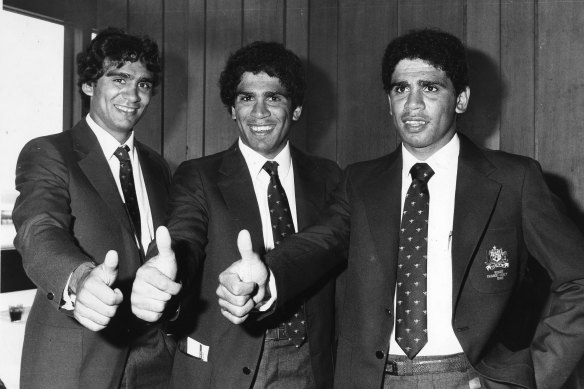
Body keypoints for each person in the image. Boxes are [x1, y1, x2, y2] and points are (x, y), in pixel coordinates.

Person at [216, 29, 584, 389]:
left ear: (461, 100)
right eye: (400, 89)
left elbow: (577, 281)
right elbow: (319, 242)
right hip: (374, 378)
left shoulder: (513, 179)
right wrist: (270, 274)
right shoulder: (360, 182)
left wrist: (533, 376)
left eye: (430, 87)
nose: (413, 104)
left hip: (469, 377)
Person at [135, 41, 342, 388]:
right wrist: (162, 270)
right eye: (246, 98)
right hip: (226, 366)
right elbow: (184, 236)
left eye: (273, 97)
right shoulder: (199, 175)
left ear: (297, 109)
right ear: (232, 109)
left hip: (310, 364)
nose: (259, 112)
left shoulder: (329, 176)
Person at [13, 27, 180, 389]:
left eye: (144, 84)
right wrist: (79, 277)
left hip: (155, 360)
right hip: (77, 357)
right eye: (119, 78)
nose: (133, 95)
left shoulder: (158, 166)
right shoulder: (50, 153)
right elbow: (38, 228)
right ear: (89, 84)